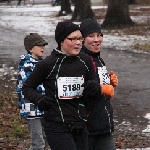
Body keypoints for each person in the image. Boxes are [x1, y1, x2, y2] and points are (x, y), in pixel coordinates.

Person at [22, 21, 114, 150]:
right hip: (57, 126)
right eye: (72, 39)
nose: (78, 43)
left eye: (79, 39)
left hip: (80, 126)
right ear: (61, 40)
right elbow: (27, 87)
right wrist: (40, 100)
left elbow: (92, 85)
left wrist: (94, 88)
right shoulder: (48, 64)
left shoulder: (85, 60)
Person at [80, 18, 118, 150]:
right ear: (82, 39)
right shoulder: (80, 60)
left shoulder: (98, 59)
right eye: (91, 36)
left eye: (99, 35)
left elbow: (96, 82)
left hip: (103, 126)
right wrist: (102, 88)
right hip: (87, 129)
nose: (97, 39)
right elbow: (80, 90)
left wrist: (109, 82)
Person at [16, 33, 49, 150]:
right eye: (39, 45)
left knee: (46, 140)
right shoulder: (26, 65)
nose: (43, 48)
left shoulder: (42, 63)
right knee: (38, 143)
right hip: (31, 109)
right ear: (30, 48)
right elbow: (29, 85)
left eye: (44, 45)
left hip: (42, 107)